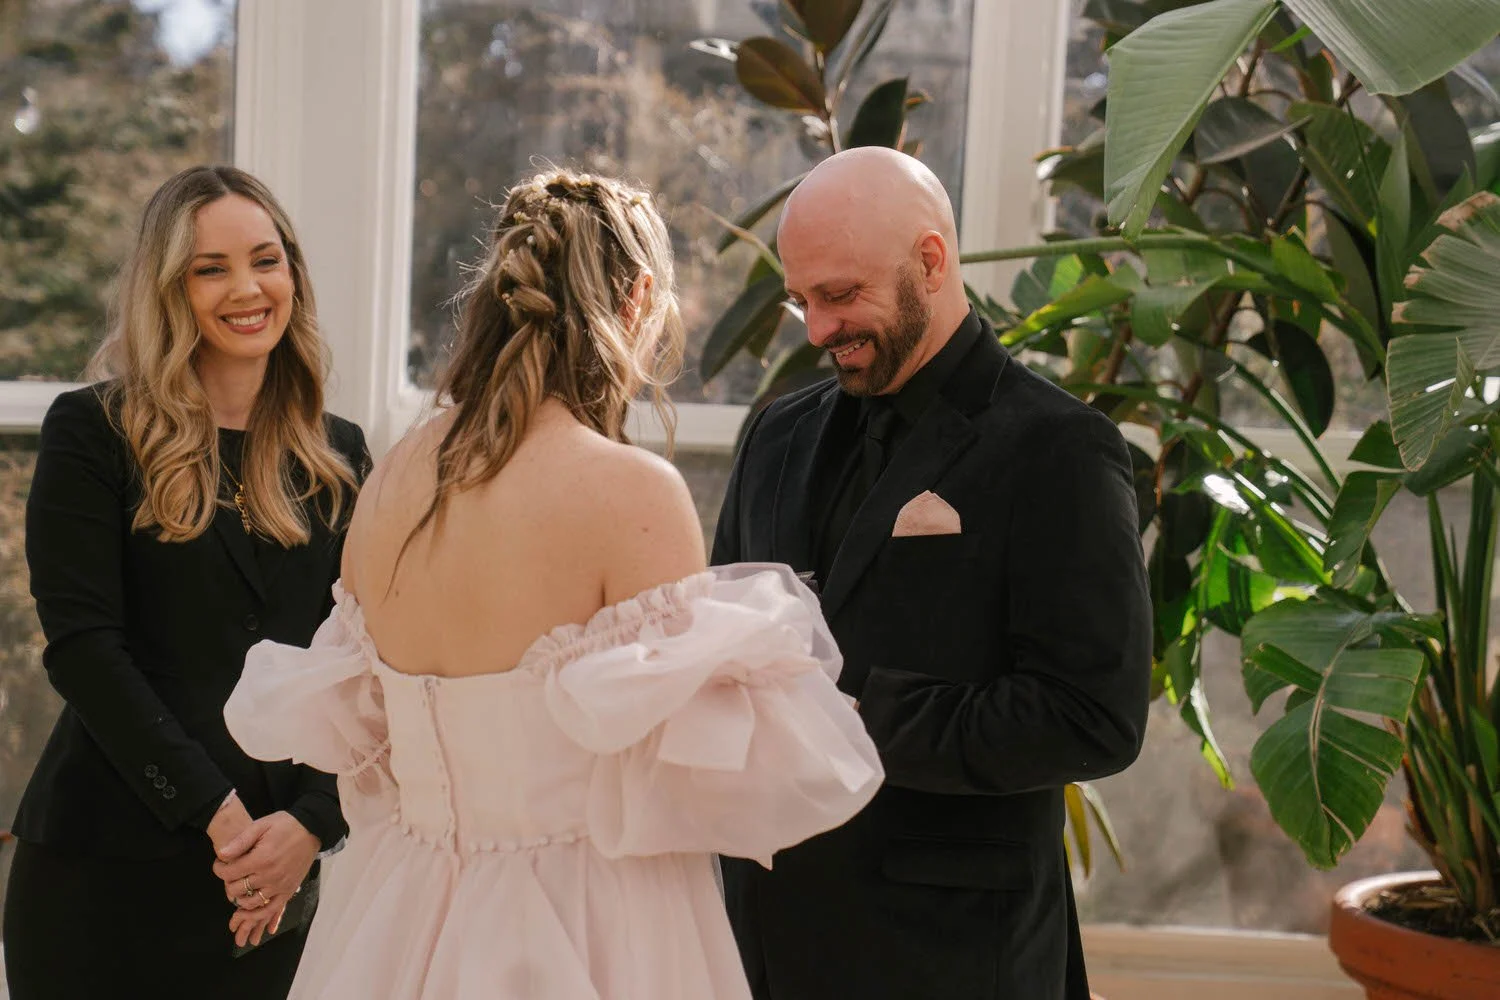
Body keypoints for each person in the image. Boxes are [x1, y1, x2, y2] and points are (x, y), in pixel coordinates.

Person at [221, 168, 883, 1000]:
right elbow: (688, 775)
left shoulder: (392, 478)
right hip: (594, 915)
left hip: (398, 913)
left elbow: (372, 756)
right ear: (638, 298)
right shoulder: (632, 493)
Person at [712, 146, 1153, 1000]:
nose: (817, 330)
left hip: (955, 957)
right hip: (763, 944)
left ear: (931, 260)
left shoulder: (1060, 448)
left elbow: (1094, 716)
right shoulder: (773, 435)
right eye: (802, 301)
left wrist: (852, 716)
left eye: (840, 296)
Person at [3, 165, 370, 999]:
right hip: (105, 871)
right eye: (211, 269)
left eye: (265, 259)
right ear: (170, 290)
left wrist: (310, 826)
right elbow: (85, 651)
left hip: (271, 883)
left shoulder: (339, 455)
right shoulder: (93, 433)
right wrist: (221, 813)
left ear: (293, 276)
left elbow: (357, 660)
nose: (247, 288)